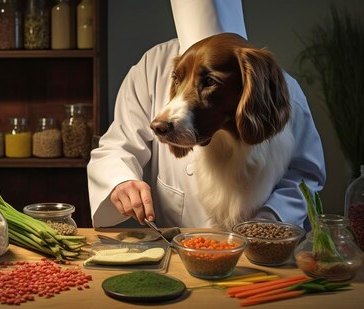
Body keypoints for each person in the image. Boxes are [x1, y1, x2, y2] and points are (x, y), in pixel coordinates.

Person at [87, 0, 326, 230]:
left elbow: (306, 174)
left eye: (210, 80)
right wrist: (120, 180)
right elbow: (118, 145)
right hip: (178, 243)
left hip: (261, 250)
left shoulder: (278, 87)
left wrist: (268, 220)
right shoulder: (153, 67)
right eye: (180, 79)